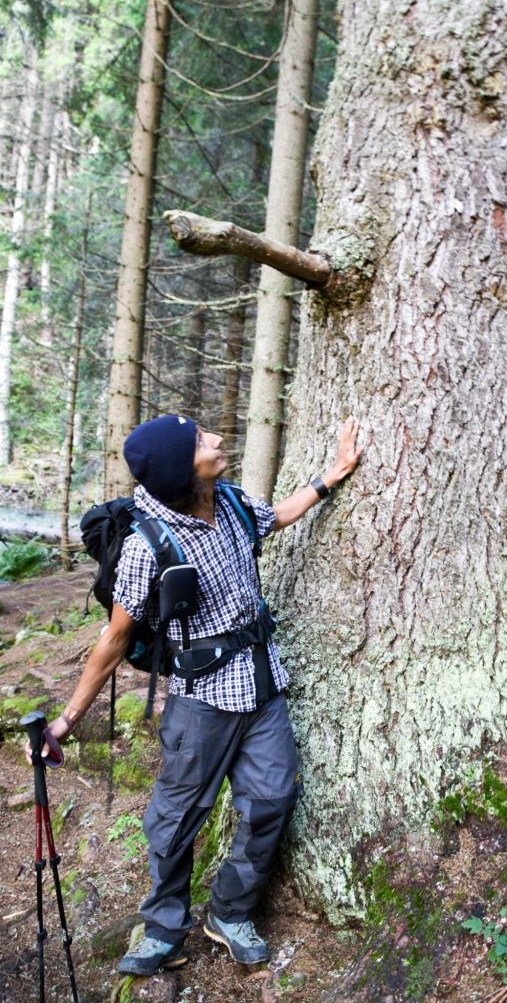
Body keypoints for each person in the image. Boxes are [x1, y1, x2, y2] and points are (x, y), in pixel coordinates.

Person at [25, 413, 363, 975]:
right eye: (202, 441)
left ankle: (229, 913)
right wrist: (66, 719)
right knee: (176, 818)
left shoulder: (227, 501)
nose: (216, 440)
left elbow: (275, 517)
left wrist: (332, 476)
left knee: (272, 801)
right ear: (183, 470)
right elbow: (114, 640)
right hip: (201, 699)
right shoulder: (145, 548)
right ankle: (162, 929)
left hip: (262, 687)